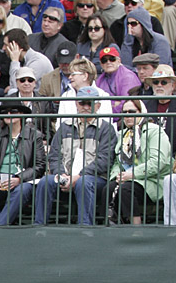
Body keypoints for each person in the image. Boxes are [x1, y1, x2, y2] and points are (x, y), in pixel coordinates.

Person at [32, 85, 118, 225]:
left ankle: (85, 227)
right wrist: (60, 174)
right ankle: (39, 225)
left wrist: (79, 176)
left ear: (98, 106)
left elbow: (104, 160)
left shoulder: (106, 129)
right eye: (82, 103)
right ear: (76, 104)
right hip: (65, 174)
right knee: (46, 181)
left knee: (83, 183)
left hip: (94, 178)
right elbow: (54, 156)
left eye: (90, 103)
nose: (85, 106)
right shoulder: (64, 127)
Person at [108, 97, 171, 224]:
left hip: (152, 179)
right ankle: (109, 226)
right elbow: (117, 162)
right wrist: (117, 176)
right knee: (108, 188)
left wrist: (132, 174)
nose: (127, 116)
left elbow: (157, 161)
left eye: (132, 112)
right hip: (129, 177)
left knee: (126, 189)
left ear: (141, 112)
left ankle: (136, 228)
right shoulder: (123, 134)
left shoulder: (155, 131)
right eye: (124, 113)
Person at [0, 102, 47, 225]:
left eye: (14, 111)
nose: (9, 114)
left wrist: (19, 178)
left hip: (23, 181)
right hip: (0, 179)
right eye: (5, 112)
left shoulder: (35, 134)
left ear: (22, 114)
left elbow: (39, 165)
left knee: (22, 189)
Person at [143, 65, 176, 154]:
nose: (159, 85)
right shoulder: (145, 106)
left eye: (164, 82)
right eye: (156, 82)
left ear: (173, 86)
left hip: (175, 157)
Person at [96, 45, 141, 112]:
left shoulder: (128, 76)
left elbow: (125, 103)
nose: (108, 62)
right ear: (101, 64)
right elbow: (96, 103)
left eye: (112, 59)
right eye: (104, 60)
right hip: (104, 117)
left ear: (119, 61)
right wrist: (113, 103)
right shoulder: (100, 79)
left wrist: (107, 106)